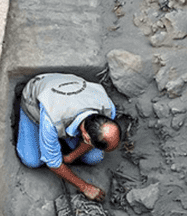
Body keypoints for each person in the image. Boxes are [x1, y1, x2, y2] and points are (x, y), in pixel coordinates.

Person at [16, 73, 121, 202]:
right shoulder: (52, 120)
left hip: (69, 95)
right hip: (36, 98)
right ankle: (27, 119)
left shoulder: (107, 108)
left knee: (95, 157)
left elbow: (87, 147)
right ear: (87, 138)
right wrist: (85, 187)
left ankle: (63, 142)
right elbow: (53, 163)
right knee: (32, 160)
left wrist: (71, 157)